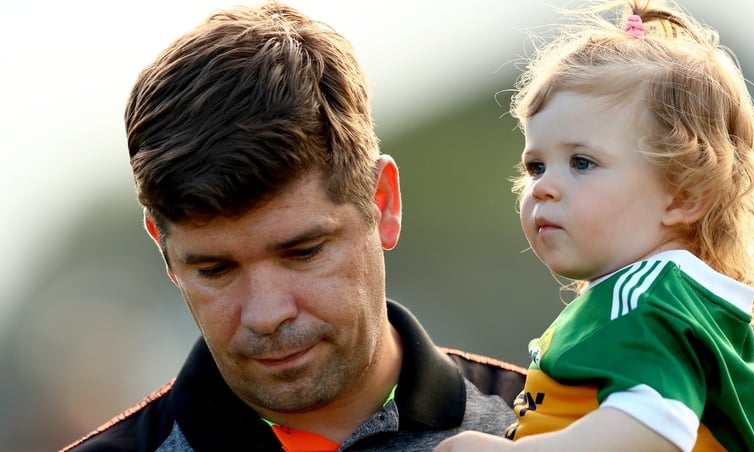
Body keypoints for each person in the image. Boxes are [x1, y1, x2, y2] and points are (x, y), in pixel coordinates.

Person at [61, 2, 526, 451]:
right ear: (164, 250)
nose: (266, 315)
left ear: (382, 203)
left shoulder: (559, 428)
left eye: (303, 252)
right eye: (215, 270)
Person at [435, 0, 754, 451]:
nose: (544, 187)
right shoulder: (681, 305)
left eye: (582, 162)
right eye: (535, 166)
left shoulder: (648, 300)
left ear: (683, 195)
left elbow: (650, 431)